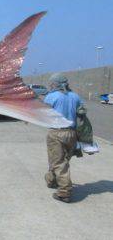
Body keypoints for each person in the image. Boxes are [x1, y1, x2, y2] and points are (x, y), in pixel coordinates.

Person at [43, 73, 82, 203]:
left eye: (51, 83)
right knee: (63, 160)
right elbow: (81, 113)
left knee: (58, 162)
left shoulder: (51, 96)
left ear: (55, 84)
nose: (50, 85)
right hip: (72, 133)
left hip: (56, 132)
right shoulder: (75, 96)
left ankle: (64, 192)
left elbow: (43, 112)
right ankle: (51, 180)